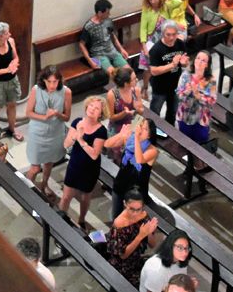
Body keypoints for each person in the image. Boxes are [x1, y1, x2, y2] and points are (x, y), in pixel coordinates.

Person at [61, 96, 130, 228]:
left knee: (85, 198)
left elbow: (94, 154)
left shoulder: (101, 131)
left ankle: (81, 219)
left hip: (89, 169)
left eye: (96, 108)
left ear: (101, 114)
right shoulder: (77, 122)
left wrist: (81, 140)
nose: (92, 109)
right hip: (74, 165)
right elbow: (66, 144)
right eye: (91, 105)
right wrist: (75, 136)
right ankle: (61, 217)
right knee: (65, 197)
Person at [24, 66, 70, 197]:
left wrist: (57, 113)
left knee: (49, 163)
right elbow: (28, 112)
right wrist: (44, 117)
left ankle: (44, 185)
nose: (52, 85)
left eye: (55, 81)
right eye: (49, 81)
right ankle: (28, 193)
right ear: (44, 80)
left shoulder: (66, 92)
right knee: (34, 168)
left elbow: (67, 117)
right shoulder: (36, 90)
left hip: (55, 133)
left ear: (59, 80)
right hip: (37, 132)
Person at [104, 192, 160, 282]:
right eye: (131, 209)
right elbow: (123, 256)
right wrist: (140, 236)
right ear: (125, 204)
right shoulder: (119, 224)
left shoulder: (144, 216)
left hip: (137, 260)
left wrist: (148, 232)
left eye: (138, 209)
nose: (135, 213)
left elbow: (152, 245)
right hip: (122, 266)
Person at [147, 21, 189, 128]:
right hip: (160, 88)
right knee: (155, 112)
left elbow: (184, 62)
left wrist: (184, 63)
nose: (171, 38)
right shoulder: (156, 49)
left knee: (173, 111)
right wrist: (172, 65)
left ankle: (169, 131)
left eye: (174, 34)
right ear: (163, 34)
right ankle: (152, 131)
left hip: (175, 86)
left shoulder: (180, 44)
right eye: (168, 35)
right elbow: (153, 71)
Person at [113, 116, 160, 211]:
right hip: (120, 184)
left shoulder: (152, 150)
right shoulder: (130, 140)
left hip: (136, 193)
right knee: (117, 217)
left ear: (149, 135)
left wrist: (136, 139)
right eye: (141, 126)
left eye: (145, 129)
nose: (141, 130)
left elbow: (139, 159)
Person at [79, 0, 131, 82]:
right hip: (99, 54)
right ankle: (117, 92)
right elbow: (81, 44)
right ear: (100, 13)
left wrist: (121, 49)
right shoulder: (89, 27)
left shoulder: (108, 21)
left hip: (112, 51)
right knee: (114, 75)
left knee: (129, 72)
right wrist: (89, 60)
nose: (109, 14)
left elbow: (113, 36)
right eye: (107, 12)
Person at [176, 50, 217, 146]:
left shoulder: (211, 80)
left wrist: (198, 96)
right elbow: (179, 95)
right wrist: (187, 92)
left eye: (203, 60)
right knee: (185, 144)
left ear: (207, 65)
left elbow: (212, 100)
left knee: (200, 145)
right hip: (185, 115)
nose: (199, 61)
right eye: (198, 58)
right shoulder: (186, 75)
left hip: (201, 117)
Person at [106, 66, 143, 138]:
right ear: (126, 84)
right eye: (134, 79)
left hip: (133, 125)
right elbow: (111, 117)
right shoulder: (112, 95)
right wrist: (124, 113)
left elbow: (140, 114)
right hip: (117, 128)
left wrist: (138, 110)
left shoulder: (136, 91)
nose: (137, 80)